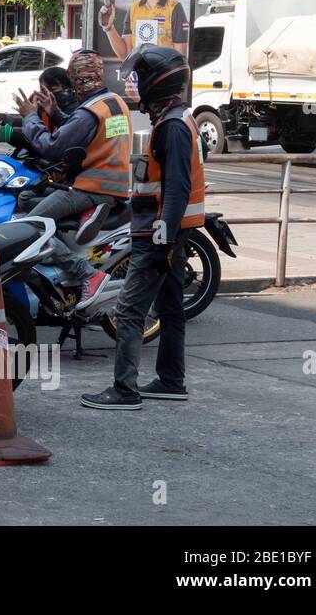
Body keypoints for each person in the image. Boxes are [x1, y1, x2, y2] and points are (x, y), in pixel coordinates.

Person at [81, 46, 204, 410]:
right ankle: (170, 380)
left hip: (158, 233)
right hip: (171, 230)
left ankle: (125, 389)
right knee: (170, 308)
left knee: (130, 310)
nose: (138, 88)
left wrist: (163, 228)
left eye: (142, 79)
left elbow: (178, 184)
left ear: (157, 82)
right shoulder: (181, 119)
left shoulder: (172, 127)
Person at [11, 50, 132, 307]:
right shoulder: (113, 102)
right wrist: (54, 112)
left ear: (76, 79)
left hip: (90, 186)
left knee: (32, 225)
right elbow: (83, 131)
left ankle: (87, 273)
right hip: (115, 184)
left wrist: (30, 117)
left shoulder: (89, 111)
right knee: (28, 198)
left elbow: (53, 146)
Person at [0, 66, 79, 157]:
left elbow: (49, 147)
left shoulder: (75, 112)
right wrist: (4, 132)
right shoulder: (42, 109)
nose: (46, 94)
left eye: (51, 89)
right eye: (42, 90)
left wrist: (12, 135)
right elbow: (34, 138)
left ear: (69, 89)